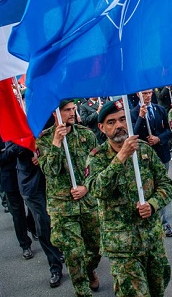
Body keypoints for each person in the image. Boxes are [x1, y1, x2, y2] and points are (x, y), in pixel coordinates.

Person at [86, 100, 172, 297]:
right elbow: (97, 190)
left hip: (151, 238)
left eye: (123, 119)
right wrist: (122, 156)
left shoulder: (143, 150)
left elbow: (165, 184)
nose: (119, 125)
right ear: (101, 127)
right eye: (111, 122)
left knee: (159, 287)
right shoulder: (96, 157)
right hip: (122, 246)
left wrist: (153, 204)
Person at [37, 99, 102, 296]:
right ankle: (82, 290)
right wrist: (56, 143)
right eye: (67, 110)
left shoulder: (86, 135)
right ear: (55, 113)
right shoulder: (43, 140)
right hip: (63, 207)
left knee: (96, 247)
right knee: (74, 253)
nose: (72, 113)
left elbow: (98, 166)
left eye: (73, 109)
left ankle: (89, 269)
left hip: (87, 202)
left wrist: (86, 187)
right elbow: (50, 171)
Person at [10, 139, 65, 287]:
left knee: (60, 221)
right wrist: (28, 145)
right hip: (31, 184)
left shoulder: (48, 125)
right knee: (44, 224)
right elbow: (10, 150)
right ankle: (55, 267)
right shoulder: (16, 127)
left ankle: (62, 251)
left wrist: (43, 153)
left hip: (54, 180)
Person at [131, 90, 172, 237]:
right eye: (144, 93)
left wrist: (159, 138)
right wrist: (140, 117)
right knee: (149, 189)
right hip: (145, 158)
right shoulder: (133, 113)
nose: (148, 96)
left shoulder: (159, 109)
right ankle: (154, 220)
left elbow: (170, 130)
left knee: (162, 188)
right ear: (138, 94)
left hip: (161, 154)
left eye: (150, 93)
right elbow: (133, 134)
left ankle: (164, 222)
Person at [0, 130, 36, 259]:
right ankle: (25, 245)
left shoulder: (22, 133)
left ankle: (32, 226)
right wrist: (10, 153)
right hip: (10, 180)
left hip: (28, 178)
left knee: (34, 208)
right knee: (18, 214)